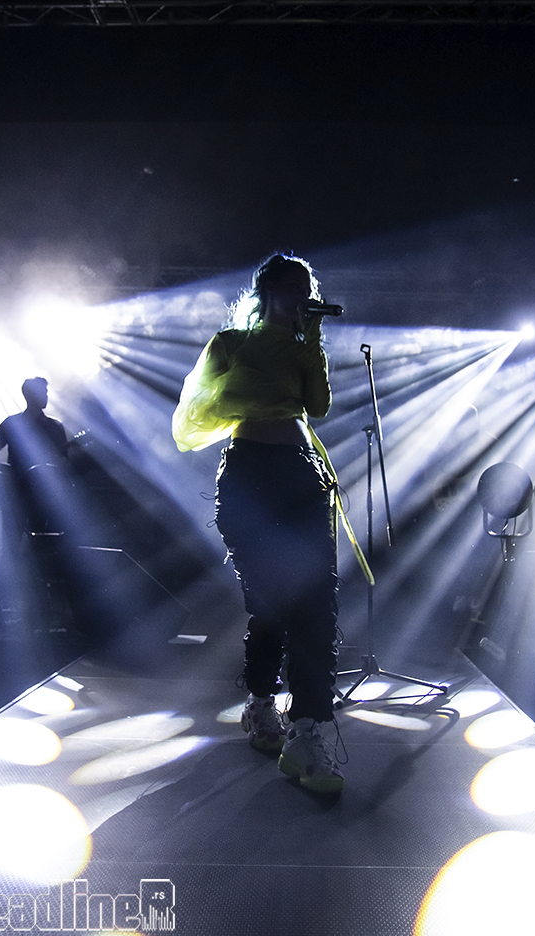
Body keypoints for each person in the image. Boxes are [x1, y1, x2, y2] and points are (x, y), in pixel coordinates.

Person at [172, 253, 346, 792]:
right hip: (249, 477)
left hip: (301, 474)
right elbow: (199, 410)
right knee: (269, 603)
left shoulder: (304, 346)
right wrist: (264, 376)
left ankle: (308, 730)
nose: (301, 298)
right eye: (292, 288)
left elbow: (318, 406)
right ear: (268, 291)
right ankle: (262, 702)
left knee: (316, 601)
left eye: (307, 289)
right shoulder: (230, 344)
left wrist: (309, 342)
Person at [0, 377, 69, 534]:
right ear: (30, 395)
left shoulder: (55, 427)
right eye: (43, 392)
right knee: (12, 537)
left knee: (40, 538)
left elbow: (64, 462)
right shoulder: (12, 424)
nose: (46, 396)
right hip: (16, 493)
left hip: (44, 495)